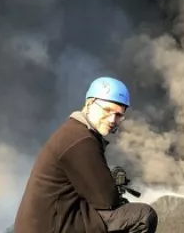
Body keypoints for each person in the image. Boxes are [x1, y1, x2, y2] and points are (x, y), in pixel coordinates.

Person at [13, 77, 158, 233]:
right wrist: (112, 186)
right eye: (107, 110)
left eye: (118, 115)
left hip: (51, 222)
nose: (112, 119)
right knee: (142, 216)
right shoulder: (80, 140)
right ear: (90, 103)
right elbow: (107, 200)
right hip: (53, 227)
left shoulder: (74, 131)